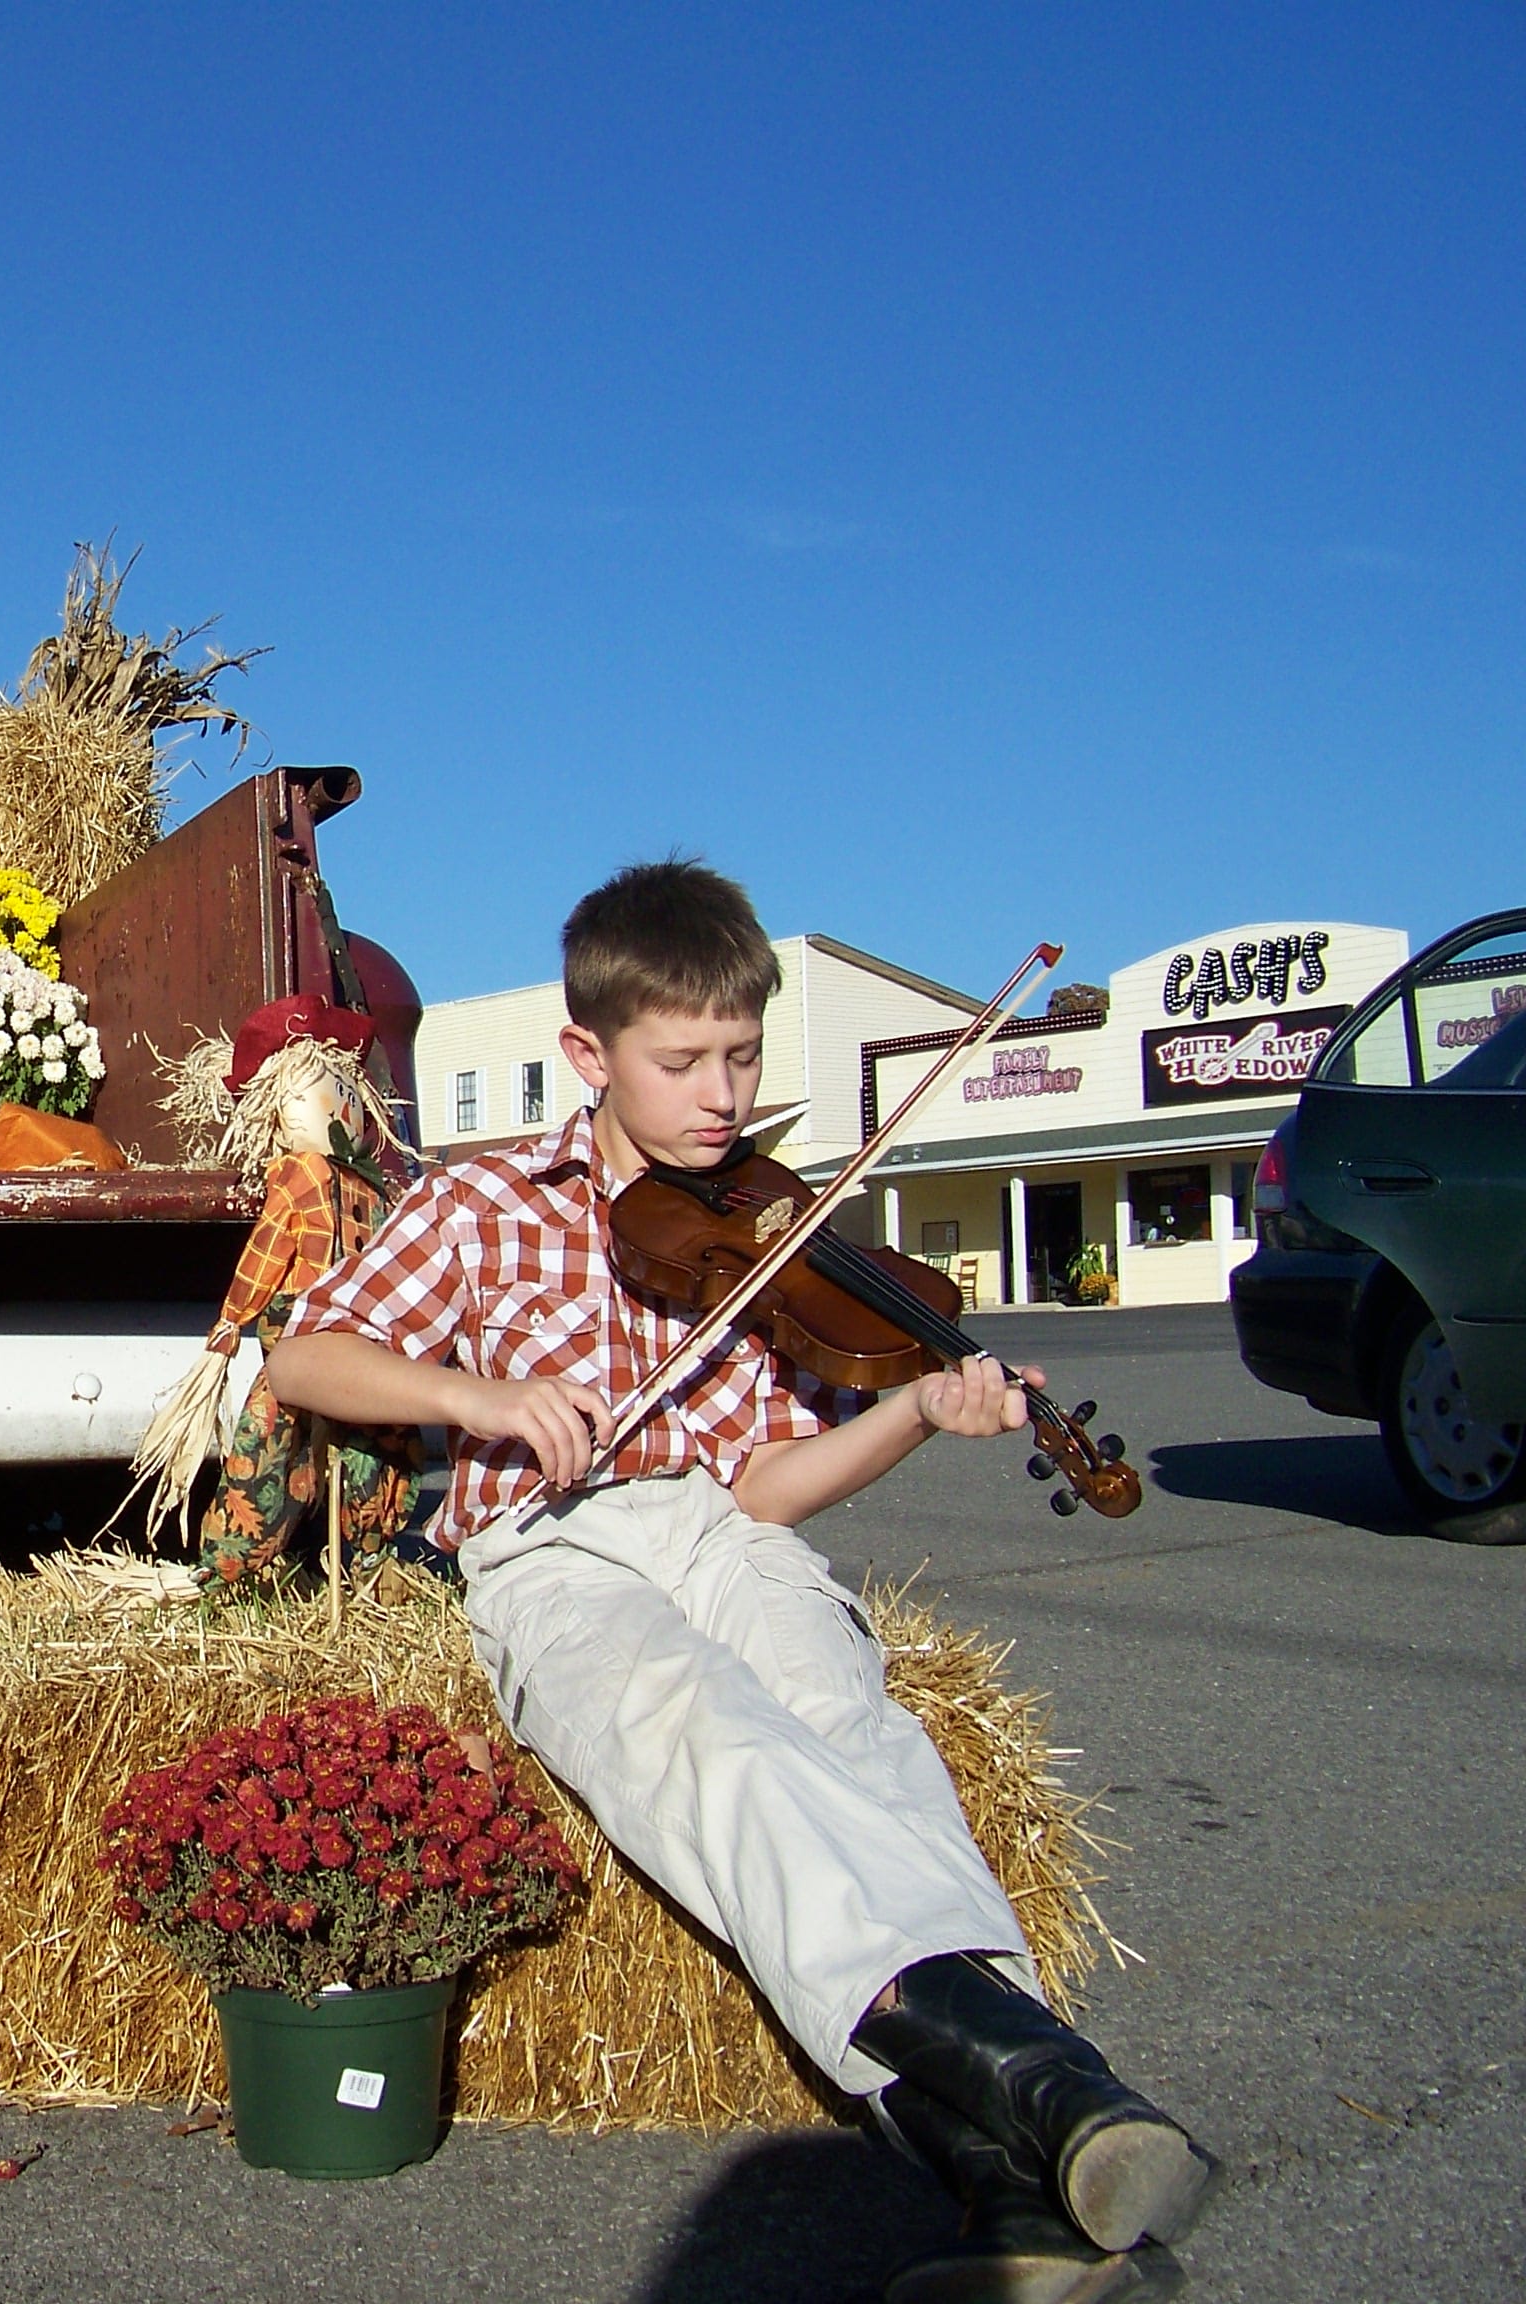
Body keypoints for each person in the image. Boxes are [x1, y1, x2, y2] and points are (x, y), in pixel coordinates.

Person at [265, 861, 1214, 2304]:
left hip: (729, 1531)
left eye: (745, 1056)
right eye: (683, 1060)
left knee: (862, 1739)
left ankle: (1013, 2194)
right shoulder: (482, 1203)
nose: (723, 1094)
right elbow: (302, 1355)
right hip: (558, 1546)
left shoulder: (769, 1232)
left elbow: (769, 1486)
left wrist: (909, 1411)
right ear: (589, 1053)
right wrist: (480, 1396)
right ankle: (1051, 2088)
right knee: (701, 1729)